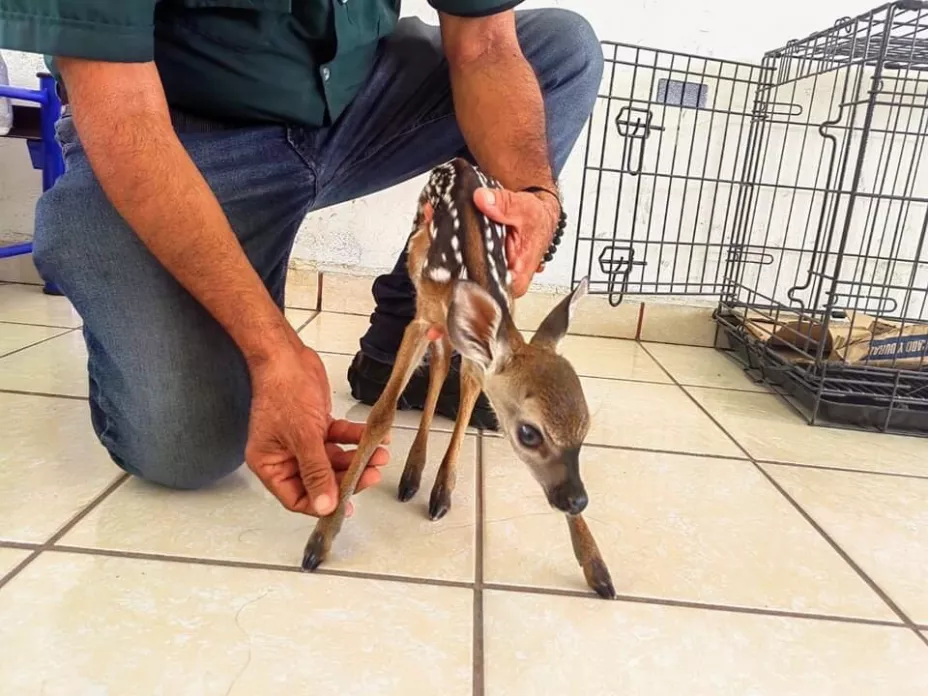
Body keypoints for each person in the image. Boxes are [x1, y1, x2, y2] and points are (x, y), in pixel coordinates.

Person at [0, 1, 603, 519]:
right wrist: (272, 348)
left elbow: (486, 45)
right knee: (186, 445)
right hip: (176, 131)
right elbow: (120, 106)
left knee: (561, 52)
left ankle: (402, 342)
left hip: (352, 106)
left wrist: (535, 197)